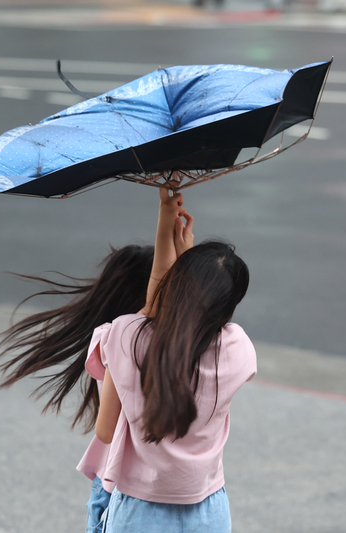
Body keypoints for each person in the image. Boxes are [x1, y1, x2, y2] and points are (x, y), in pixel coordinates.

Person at [92, 186, 256, 533]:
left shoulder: (125, 336)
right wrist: (188, 267)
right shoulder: (237, 349)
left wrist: (166, 221)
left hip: (139, 512)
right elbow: (171, 317)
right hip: (208, 512)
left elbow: (105, 431)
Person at [0, 243, 155, 533]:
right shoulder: (125, 343)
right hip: (127, 489)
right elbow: (109, 430)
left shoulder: (114, 339)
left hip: (116, 481)